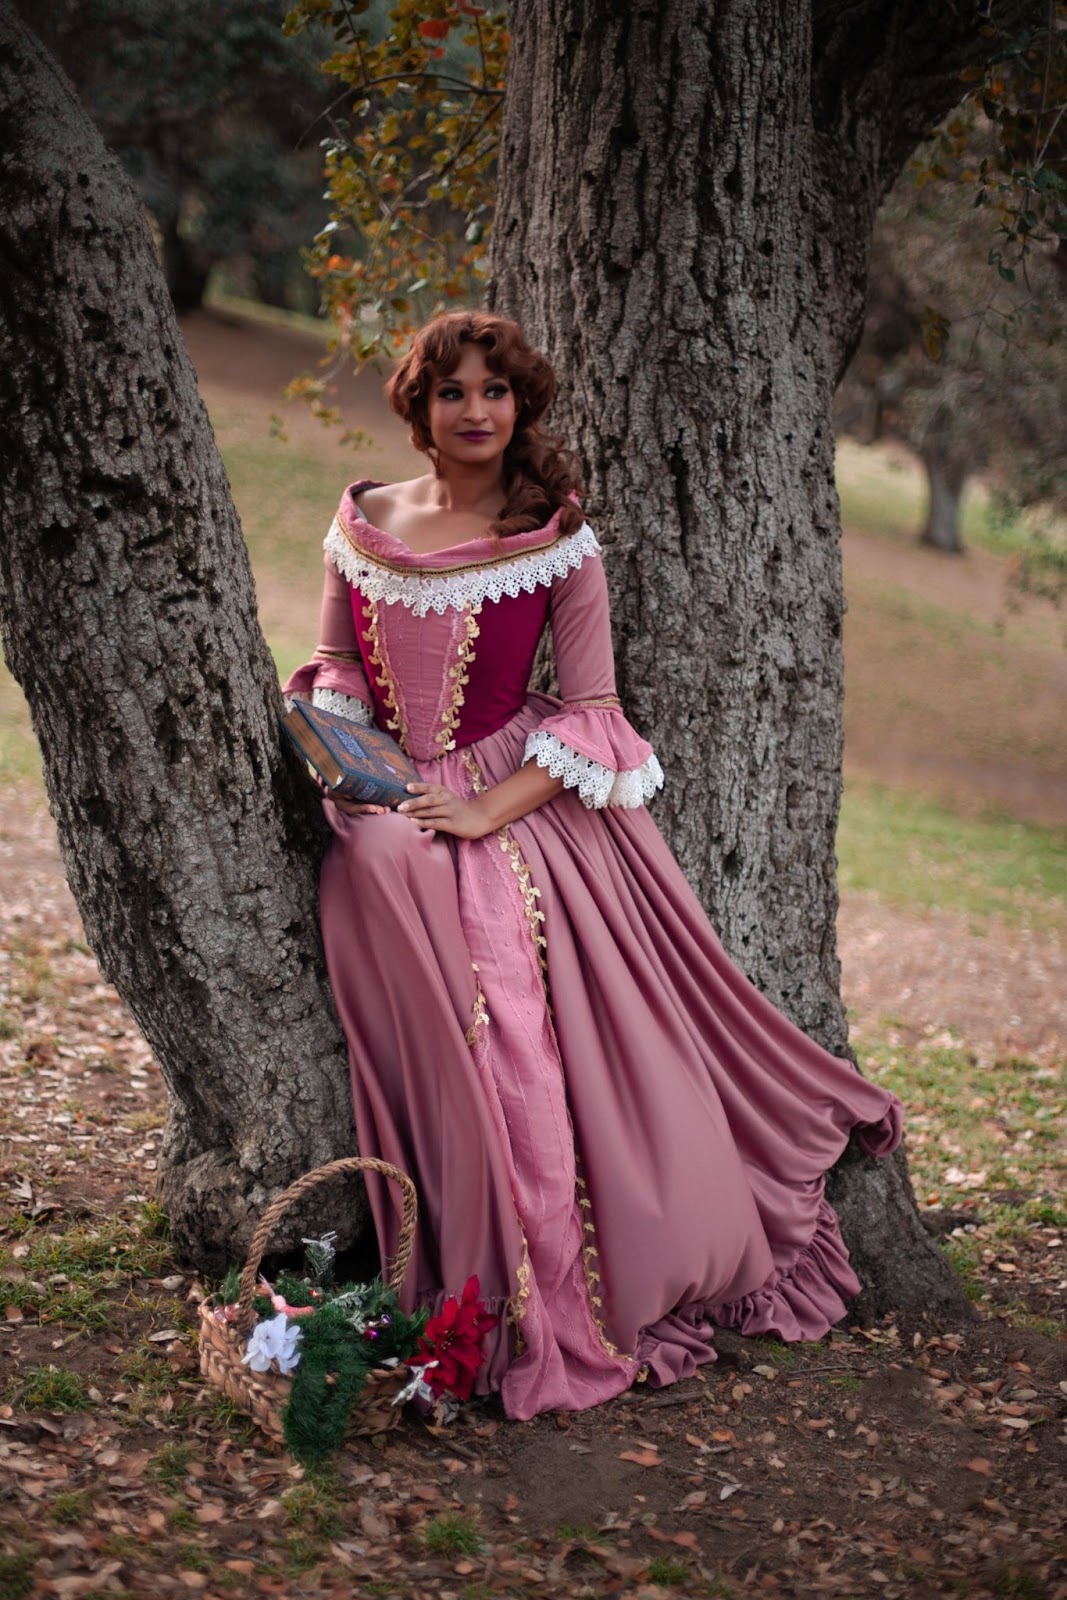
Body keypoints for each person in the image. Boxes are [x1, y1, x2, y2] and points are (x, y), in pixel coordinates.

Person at [282, 310, 904, 1423]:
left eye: (495, 393)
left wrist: (477, 810)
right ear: (417, 410)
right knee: (379, 870)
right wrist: (348, 753)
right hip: (383, 798)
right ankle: (453, 1224)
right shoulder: (363, 521)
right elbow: (335, 660)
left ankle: (538, 1281)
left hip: (508, 802)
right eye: (452, 393)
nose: (476, 412)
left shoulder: (555, 540)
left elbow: (593, 717)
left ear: (521, 407)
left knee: (514, 1017)